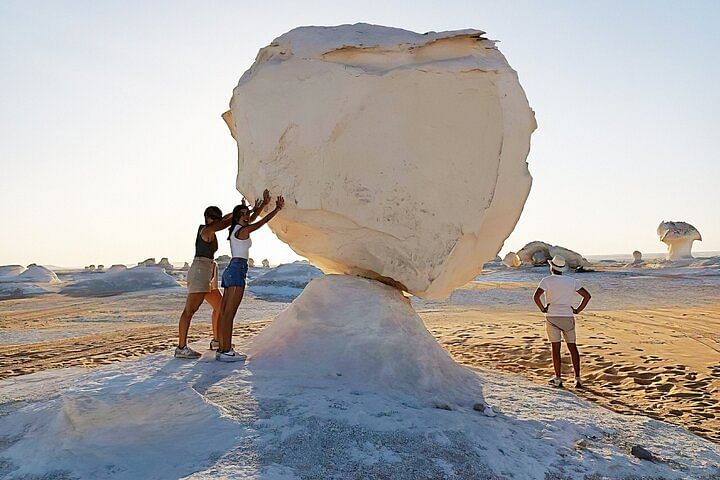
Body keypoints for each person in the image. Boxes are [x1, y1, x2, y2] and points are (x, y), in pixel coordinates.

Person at [175, 196, 267, 359]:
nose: (217, 221)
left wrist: (246, 211)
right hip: (200, 270)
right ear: (207, 218)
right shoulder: (206, 230)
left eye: (218, 218)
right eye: (214, 218)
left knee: (220, 307)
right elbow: (226, 222)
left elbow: (230, 221)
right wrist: (242, 211)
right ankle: (181, 347)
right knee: (190, 310)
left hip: (209, 269)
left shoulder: (213, 227)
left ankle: (217, 341)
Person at [216, 193, 284, 362]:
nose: (248, 216)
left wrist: (261, 206)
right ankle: (226, 351)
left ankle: (223, 348)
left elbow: (253, 218)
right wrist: (276, 208)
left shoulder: (235, 229)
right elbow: (260, 222)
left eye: (247, 214)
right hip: (238, 269)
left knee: (225, 312)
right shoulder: (243, 229)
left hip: (232, 269)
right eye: (244, 214)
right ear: (239, 216)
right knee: (229, 313)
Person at [532, 255, 592, 388]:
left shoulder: (546, 281)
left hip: (552, 316)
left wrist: (543, 308)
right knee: (573, 347)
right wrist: (577, 310)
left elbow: (536, 296)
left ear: (551, 266)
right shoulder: (572, 281)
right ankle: (577, 378)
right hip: (568, 316)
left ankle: (558, 378)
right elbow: (587, 296)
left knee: (556, 348)